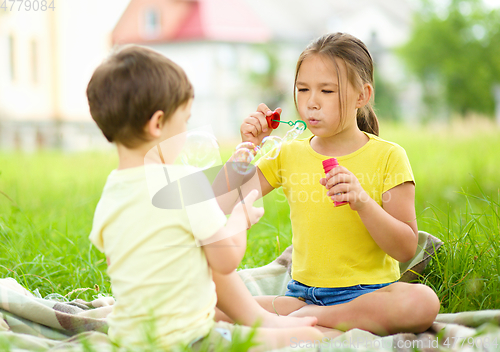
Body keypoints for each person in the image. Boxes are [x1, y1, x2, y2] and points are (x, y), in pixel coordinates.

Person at [86, 45, 322, 351]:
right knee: (310, 338)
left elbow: (119, 262)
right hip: (190, 340)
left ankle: (265, 322)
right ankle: (271, 327)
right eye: (184, 121)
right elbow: (225, 260)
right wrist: (239, 220)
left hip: (129, 339)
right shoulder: (182, 183)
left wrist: (246, 150)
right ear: (158, 124)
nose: (186, 131)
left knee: (194, 254)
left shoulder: (111, 192)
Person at [233, 32, 441, 336]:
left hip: (368, 298)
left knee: (423, 301)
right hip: (302, 297)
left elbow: (405, 247)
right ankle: (314, 319)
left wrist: (362, 202)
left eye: (327, 91)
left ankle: (309, 320)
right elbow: (227, 197)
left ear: (362, 96)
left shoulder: (388, 156)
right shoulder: (288, 153)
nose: (311, 103)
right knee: (210, 301)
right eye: (303, 89)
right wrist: (248, 147)